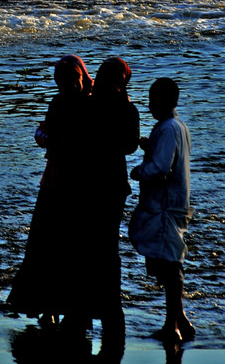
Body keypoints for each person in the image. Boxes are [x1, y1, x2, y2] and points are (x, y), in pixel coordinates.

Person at [7, 54, 93, 330]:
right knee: (49, 246)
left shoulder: (90, 104)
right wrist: (44, 136)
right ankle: (51, 306)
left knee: (64, 248)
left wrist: (48, 138)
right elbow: (50, 133)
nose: (70, 86)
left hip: (74, 184)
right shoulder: (64, 102)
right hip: (57, 182)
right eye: (65, 82)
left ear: (81, 77)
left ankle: (59, 307)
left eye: (74, 80)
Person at [129, 77, 195, 343]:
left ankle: (173, 325)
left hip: (166, 205)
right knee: (170, 261)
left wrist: (138, 171)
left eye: (153, 100)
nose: (150, 105)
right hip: (174, 203)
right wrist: (150, 146)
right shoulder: (177, 126)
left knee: (170, 264)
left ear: (167, 102)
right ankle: (180, 320)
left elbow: (160, 168)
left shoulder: (168, 129)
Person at [82, 57, 140, 338]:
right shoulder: (128, 108)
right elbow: (129, 147)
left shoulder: (88, 104)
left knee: (85, 242)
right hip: (114, 183)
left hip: (86, 182)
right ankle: (110, 298)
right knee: (109, 244)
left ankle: (84, 296)